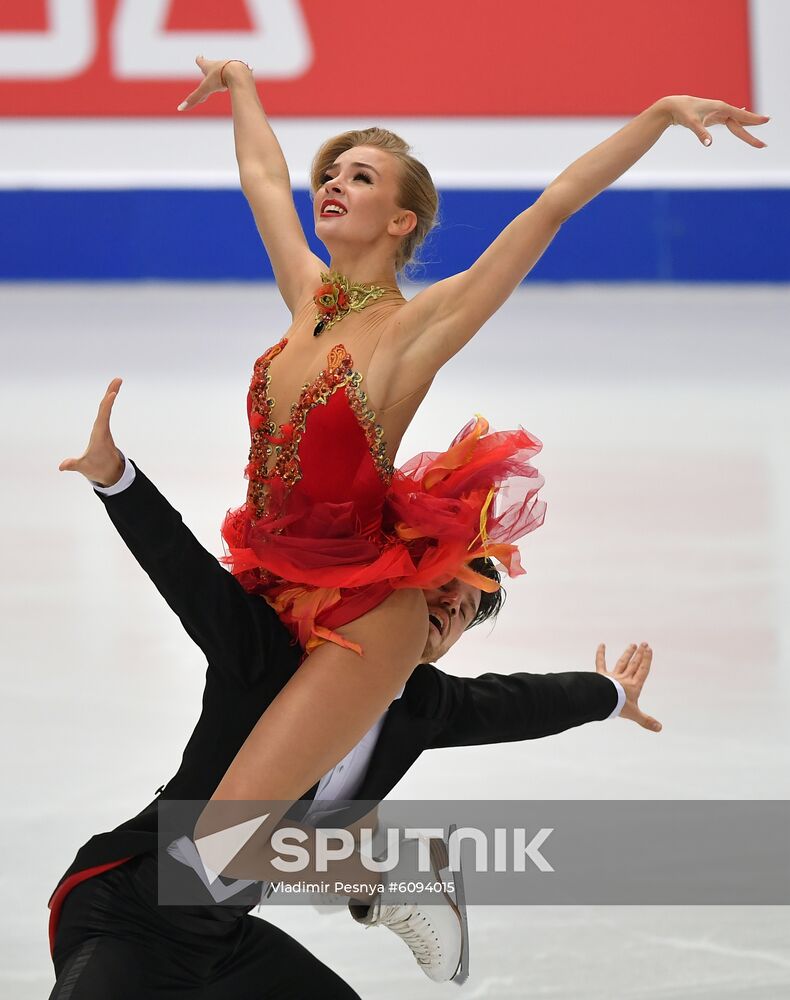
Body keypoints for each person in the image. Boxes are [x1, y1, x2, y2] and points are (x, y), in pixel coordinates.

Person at [167, 60, 767, 895]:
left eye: (361, 176)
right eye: (332, 172)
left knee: (219, 853)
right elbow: (262, 176)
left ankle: (403, 881)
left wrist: (659, 115)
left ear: (401, 219)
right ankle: (362, 875)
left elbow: (549, 207)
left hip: (361, 610)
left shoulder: (418, 329)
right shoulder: (306, 296)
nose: (332, 183)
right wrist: (239, 83)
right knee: (210, 847)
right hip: (268, 579)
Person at [50, 381, 659, 996]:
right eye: (444, 586)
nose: (451, 608)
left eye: (466, 611)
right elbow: (189, 576)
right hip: (127, 915)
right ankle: (395, 883)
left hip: (222, 940)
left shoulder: (422, 706)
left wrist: (607, 695)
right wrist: (117, 480)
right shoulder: (272, 659)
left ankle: (392, 881)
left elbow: (521, 703)